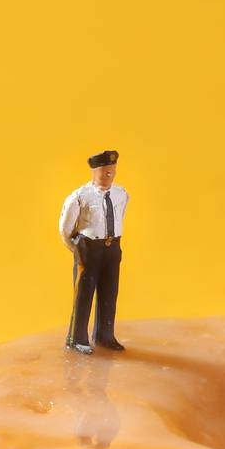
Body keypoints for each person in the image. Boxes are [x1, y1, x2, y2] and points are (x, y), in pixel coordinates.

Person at [59, 150, 129, 352]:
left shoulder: (121, 194)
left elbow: (119, 218)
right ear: (94, 171)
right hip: (89, 247)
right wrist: (77, 249)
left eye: (112, 171)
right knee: (84, 294)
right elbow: (65, 229)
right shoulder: (80, 196)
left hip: (112, 247)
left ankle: (105, 335)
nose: (109, 175)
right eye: (105, 172)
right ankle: (77, 338)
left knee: (110, 292)